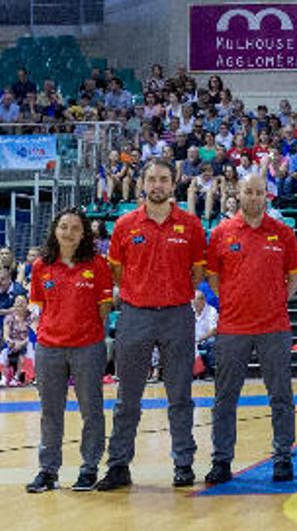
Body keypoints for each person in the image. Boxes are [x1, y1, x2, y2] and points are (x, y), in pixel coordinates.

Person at [96, 161, 207, 491]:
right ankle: (118, 465)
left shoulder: (190, 224)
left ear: (173, 185)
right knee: (127, 396)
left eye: (163, 179)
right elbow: (117, 273)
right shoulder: (125, 224)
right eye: (152, 179)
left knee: (180, 395)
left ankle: (183, 463)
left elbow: (198, 274)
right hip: (135, 316)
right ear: (142, 183)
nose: (157, 184)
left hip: (177, 316)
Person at [202, 174, 297, 484]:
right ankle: (221, 460)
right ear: (239, 193)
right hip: (233, 327)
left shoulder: (283, 233)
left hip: (274, 326)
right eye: (249, 191)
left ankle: (283, 456)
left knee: (281, 395)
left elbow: (296, 277)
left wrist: (274, 301)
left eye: (260, 192)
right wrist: (234, 302)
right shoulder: (221, 232)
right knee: (225, 397)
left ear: (267, 196)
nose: (254, 197)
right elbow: (213, 279)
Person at [24, 209, 114, 493]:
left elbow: (104, 309)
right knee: (50, 412)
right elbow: (39, 305)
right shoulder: (40, 266)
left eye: (76, 228)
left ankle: (89, 468)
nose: (69, 232)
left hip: (87, 347)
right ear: (55, 230)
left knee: (91, 411)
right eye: (63, 226)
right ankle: (48, 471)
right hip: (49, 348)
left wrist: (85, 333)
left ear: (84, 233)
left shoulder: (98, 264)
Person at [192, 291, 218, 379]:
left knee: (212, 342)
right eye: (193, 301)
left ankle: (209, 370)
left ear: (203, 300)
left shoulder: (212, 311)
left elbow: (214, 330)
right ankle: (192, 371)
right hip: (191, 340)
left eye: (196, 301)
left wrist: (199, 339)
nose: (194, 303)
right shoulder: (189, 310)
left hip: (206, 338)